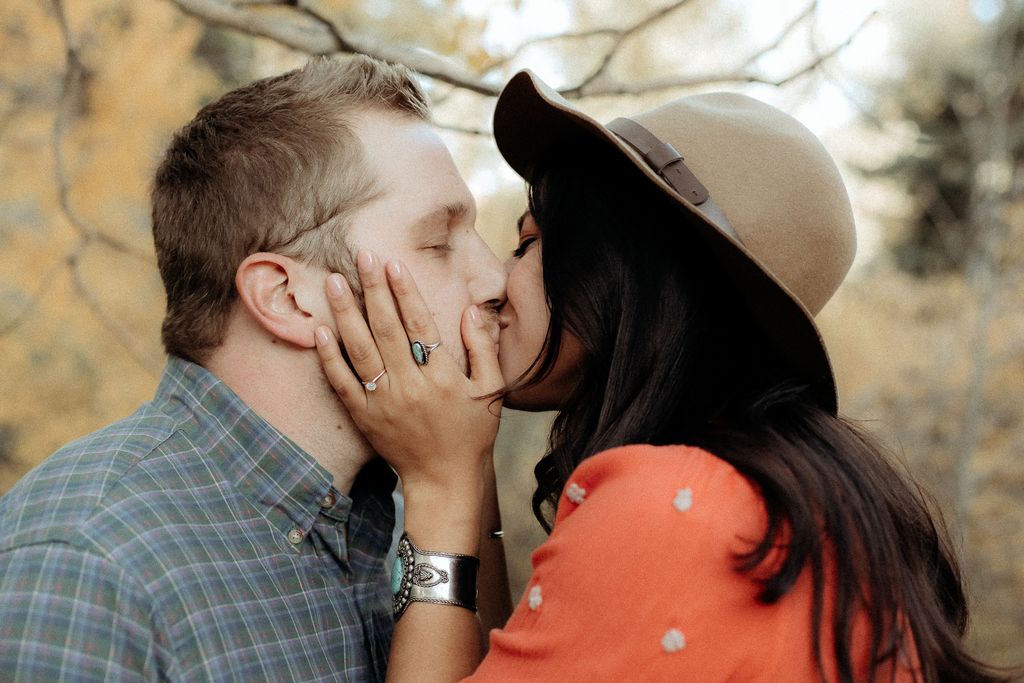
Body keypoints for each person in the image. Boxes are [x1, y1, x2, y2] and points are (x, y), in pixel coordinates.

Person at [314, 70, 1010, 681]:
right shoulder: (774, 493)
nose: (495, 279)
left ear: (622, 270)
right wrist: (465, 475)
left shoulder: (672, 507)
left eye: (528, 242)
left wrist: (437, 490)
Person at [0, 56, 507, 681]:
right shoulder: (93, 565)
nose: (495, 279)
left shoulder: (388, 518)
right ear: (286, 299)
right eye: (437, 241)